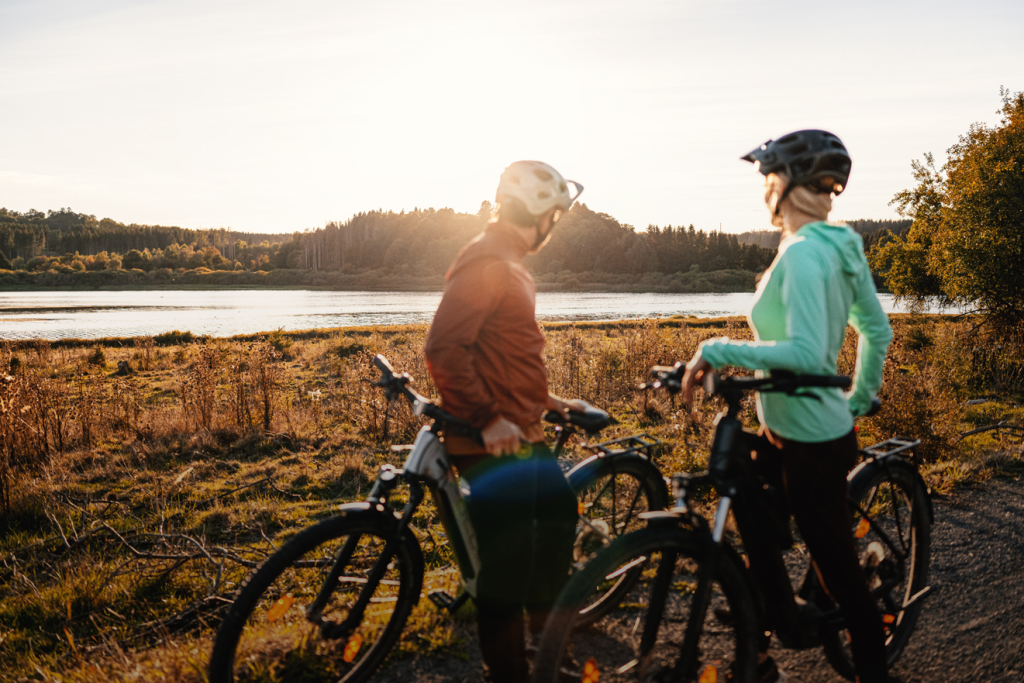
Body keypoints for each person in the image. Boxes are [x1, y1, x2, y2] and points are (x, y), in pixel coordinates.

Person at [680, 130, 894, 683]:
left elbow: (802, 351)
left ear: (789, 185)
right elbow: (876, 329)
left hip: (812, 442)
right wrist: (859, 399)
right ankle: (762, 632)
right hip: (797, 427)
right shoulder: (831, 244)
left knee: (838, 568)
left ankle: (873, 666)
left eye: (769, 177)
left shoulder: (802, 255)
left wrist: (715, 349)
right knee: (759, 523)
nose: (765, 188)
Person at [424, 160, 586, 683]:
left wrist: (547, 399)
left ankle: (545, 634)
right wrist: (489, 419)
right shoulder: (489, 260)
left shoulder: (509, 260)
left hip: (519, 429)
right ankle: (510, 672)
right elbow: (445, 348)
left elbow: (504, 354)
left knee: (558, 515)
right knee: (507, 565)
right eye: (555, 215)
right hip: (490, 439)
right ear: (541, 214)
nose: (555, 226)